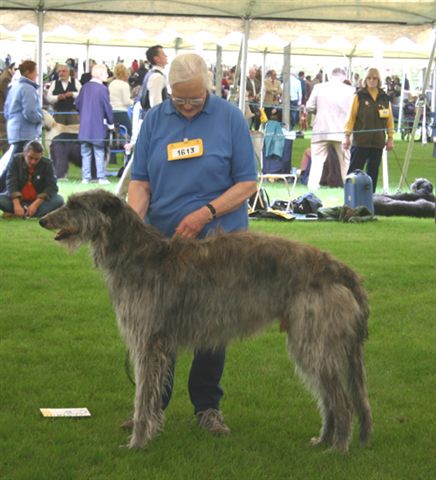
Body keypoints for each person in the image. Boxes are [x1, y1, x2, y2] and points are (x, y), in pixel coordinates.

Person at [128, 52, 257, 434]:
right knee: (158, 327)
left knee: (212, 326)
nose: (185, 106)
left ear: (208, 90)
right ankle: (151, 408)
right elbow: (140, 181)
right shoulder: (155, 119)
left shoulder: (230, 118)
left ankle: (207, 407)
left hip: (219, 242)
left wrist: (206, 213)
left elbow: (247, 182)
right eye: (178, 99)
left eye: (194, 100)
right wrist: (133, 223)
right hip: (165, 245)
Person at [344, 67, 394, 192]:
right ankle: (350, 196)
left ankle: (369, 198)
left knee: (373, 172)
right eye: (369, 78)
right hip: (361, 141)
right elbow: (351, 117)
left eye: (375, 78)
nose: (372, 81)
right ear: (365, 80)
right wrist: (347, 136)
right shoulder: (359, 96)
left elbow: (390, 120)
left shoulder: (385, 98)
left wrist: (390, 138)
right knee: (355, 171)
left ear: (379, 80)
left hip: (377, 142)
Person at [305, 67, 355, 191]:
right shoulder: (351, 90)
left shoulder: (319, 88)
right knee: (346, 162)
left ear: (330, 76)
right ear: (343, 77)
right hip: (342, 132)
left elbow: (309, 107)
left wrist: (320, 110)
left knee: (317, 162)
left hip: (321, 131)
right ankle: (348, 187)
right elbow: (354, 111)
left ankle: (312, 187)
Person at [0, 140, 64, 218]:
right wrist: (16, 204)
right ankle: (30, 214)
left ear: (41, 155)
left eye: (37, 159)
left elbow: (52, 186)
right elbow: (11, 182)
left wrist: (35, 204)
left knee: (59, 200)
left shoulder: (47, 164)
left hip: (39, 202)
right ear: (24, 153)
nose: (33, 162)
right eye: (30, 158)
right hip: (19, 200)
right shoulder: (16, 160)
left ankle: (22, 214)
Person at [75, 64, 114, 185]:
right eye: (106, 73)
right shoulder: (103, 89)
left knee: (85, 153)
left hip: (85, 125)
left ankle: (85, 178)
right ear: (101, 74)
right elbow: (107, 107)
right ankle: (101, 177)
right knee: (99, 152)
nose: (107, 75)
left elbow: (77, 104)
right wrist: (111, 122)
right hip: (97, 125)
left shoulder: (84, 87)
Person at [4, 60, 43, 158]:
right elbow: (30, 112)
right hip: (25, 133)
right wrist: (41, 117)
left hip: (14, 131)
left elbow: (6, 111)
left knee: (14, 163)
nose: (37, 74)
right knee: (18, 166)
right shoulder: (28, 89)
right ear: (29, 73)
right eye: (35, 71)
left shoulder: (14, 86)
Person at [139, 45, 168, 114]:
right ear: (156, 59)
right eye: (163, 54)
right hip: (155, 120)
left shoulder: (151, 73)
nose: (166, 56)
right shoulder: (157, 77)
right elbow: (156, 105)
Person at [109, 62, 133, 136]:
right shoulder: (124, 85)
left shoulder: (111, 84)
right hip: (121, 112)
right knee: (131, 132)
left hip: (111, 112)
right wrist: (133, 102)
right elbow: (126, 101)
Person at [0, 63, 15, 153]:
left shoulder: (5, 76)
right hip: (3, 112)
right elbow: (8, 96)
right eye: (15, 69)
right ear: (11, 68)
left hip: (3, 111)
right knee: (5, 138)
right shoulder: (6, 78)